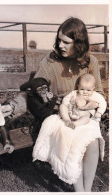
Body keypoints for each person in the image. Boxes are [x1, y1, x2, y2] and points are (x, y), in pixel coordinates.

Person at [32, 17, 106, 192]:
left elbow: (100, 94)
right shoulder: (50, 62)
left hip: (85, 114)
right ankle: (79, 190)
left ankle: (86, 190)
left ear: (79, 43)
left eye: (66, 41)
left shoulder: (91, 62)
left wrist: (86, 107)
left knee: (93, 142)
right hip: (60, 115)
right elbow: (35, 90)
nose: (60, 45)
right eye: (59, 40)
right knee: (73, 141)